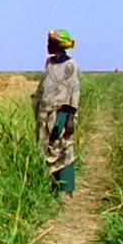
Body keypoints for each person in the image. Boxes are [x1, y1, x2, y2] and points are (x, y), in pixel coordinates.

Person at [31, 29, 80, 203]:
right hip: (44, 114)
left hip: (61, 112)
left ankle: (66, 189)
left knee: (63, 147)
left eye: (50, 43)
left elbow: (74, 90)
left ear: (58, 45)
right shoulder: (49, 63)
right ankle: (51, 187)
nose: (47, 46)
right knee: (45, 148)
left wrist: (68, 116)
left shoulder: (71, 65)